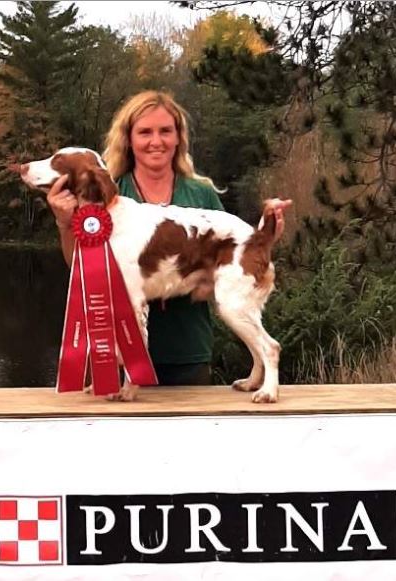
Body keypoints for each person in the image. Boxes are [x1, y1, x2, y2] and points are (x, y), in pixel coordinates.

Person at [46, 90, 285, 386]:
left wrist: (267, 234)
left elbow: (235, 249)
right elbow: (82, 269)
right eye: (145, 132)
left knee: (233, 308)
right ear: (129, 140)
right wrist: (64, 222)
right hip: (117, 359)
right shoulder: (108, 192)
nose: (156, 141)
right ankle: (122, 374)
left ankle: (265, 371)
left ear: (178, 138)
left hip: (188, 355)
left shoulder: (201, 193)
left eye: (165, 131)